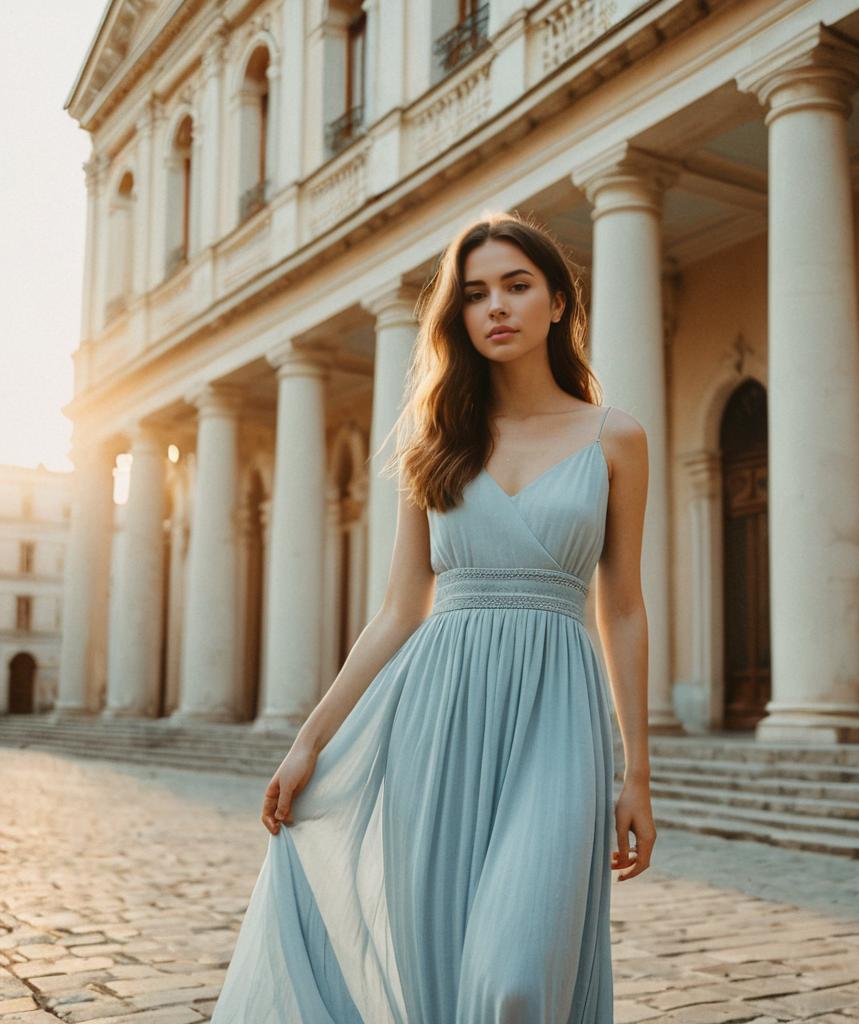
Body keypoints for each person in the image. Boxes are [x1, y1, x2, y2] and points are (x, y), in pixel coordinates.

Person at [210, 211, 656, 1023]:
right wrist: (308, 740)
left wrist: (638, 773)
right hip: (438, 717)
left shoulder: (616, 437)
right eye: (476, 293)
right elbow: (396, 613)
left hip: (558, 719)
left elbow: (621, 606)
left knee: (519, 977)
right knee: (441, 970)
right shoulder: (434, 440)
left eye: (517, 286)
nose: (496, 307)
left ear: (558, 302)